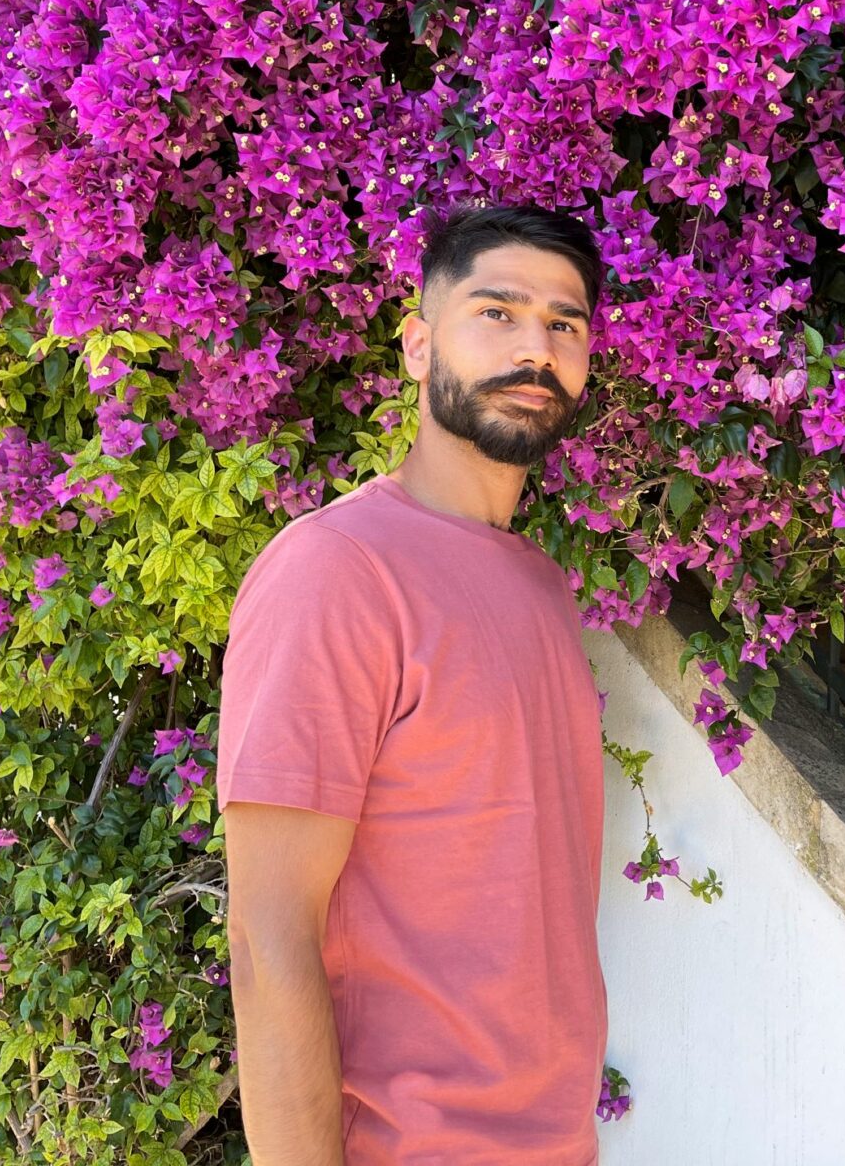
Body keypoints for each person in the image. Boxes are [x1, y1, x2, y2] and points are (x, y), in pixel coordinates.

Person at [216, 203, 610, 1166]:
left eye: (564, 324)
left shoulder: (539, 584)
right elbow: (269, 946)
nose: (535, 347)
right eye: (497, 312)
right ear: (418, 345)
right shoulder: (339, 570)